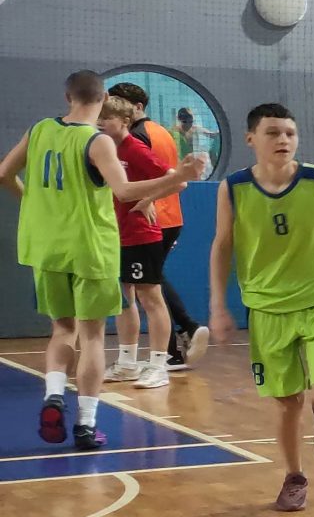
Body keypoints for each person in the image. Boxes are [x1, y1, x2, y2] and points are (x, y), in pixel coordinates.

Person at [0, 71, 204, 452]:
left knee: (62, 330)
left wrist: (32, 202)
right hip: (89, 249)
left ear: (67, 97)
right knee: (92, 336)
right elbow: (124, 191)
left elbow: (3, 173)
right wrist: (179, 176)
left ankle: (54, 394)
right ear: (104, 97)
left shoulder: (39, 130)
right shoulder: (97, 141)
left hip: (45, 247)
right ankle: (86, 424)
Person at [206, 105, 314, 513]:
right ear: (251, 139)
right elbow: (222, 244)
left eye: (290, 133)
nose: (283, 140)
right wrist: (218, 304)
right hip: (266, 307)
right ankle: (294, 477)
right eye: (273, 132)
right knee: (286, 402)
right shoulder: (233, 188)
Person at [111, 82, 206, 367]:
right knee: (150, 282)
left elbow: (166, 176)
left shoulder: (136, 138)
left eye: (116, 106)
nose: (108, 114)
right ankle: (178, 340)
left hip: (150, 218)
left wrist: (147, 199)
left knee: (148, 287)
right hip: (169, 216)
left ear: (134, 108)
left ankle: (177, 340)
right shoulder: (162, 131)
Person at [96, 94, 172, 390]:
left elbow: (177, 179)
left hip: (141, 235)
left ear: (125, 121)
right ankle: (127, 363)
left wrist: (148, 199)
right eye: (98, 118)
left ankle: (158, 365)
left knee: (150, 298)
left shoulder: (135, 149)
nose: (100, 123)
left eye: (107, 118)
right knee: (123, 299)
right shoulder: (103, 150)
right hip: (114, 234)